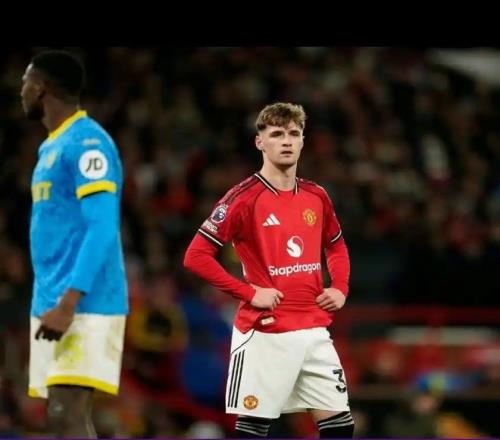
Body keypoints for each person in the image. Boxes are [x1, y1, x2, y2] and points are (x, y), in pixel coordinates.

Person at [184, 102, 354, 438]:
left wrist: (340, 287)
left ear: (303, 140)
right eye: (276, 134)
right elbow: (196, 256)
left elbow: (335, 245)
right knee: (254, 430)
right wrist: (249, 293)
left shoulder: (316, 195)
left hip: (314, 328)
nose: (286, 141)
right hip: (265, 332)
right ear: (259, 142)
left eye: (293, 133)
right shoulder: (242, 198)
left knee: (340, 427)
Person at [21, 50, 128, 438]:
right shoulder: (52, 145)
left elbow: (102, 227)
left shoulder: (87, 144)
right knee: (58, 416)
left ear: (42, 87)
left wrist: (69, 302)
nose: (21, 91)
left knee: (68, 412)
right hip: (53, 298)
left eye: (25, 82)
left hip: (85, 301)